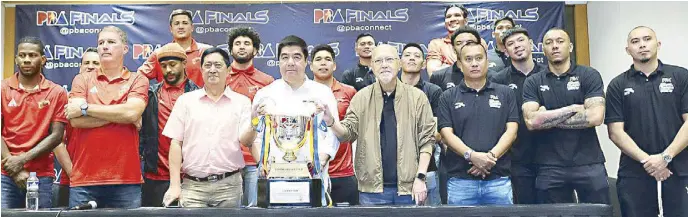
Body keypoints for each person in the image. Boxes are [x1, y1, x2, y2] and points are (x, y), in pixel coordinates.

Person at [323, 44, 435, 205]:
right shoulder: (361, 97)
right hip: (372, 191)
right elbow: (347, 134)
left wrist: (420, 177)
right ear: (372, 67)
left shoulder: (417, 98)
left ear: (398, 63)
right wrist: (331, 121)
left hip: (410, 189)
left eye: (389, 60)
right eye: (378, 61)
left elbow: (427, 140)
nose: (384, 65)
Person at [605, 26, 688, 217]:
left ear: (658, 44)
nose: (642, 45)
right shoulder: (618, 84)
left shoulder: (681, 77)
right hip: (634, 172)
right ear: (628, 50)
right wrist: (648, 161)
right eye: (635, 42)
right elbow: (615, 132)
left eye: (647, 39)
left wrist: (665, 158)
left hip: (679, 169)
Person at [521, 28, 609, 204]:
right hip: (549, 166)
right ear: (543, 49)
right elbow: (532, 121)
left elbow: (595, 117)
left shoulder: (589, 75)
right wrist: (571, 109)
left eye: (560, 41)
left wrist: (547, 117)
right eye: (549, 43)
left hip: (589, 163)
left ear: (570, 46)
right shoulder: (533, 81)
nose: (555, 46)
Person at [65, 26, 149, 208]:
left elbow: (132, 112)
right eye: (101, 43)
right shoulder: (82, 79)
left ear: (125, 48)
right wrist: (122, 114)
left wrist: (86, 108)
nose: (104, 47)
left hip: (126, 180)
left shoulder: (137, 79)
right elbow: (76, 119)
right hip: (85, 180)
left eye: (111, 42)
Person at [162, 48, 254, 208]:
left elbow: (247, 140)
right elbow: (176, 144)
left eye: (218, 65)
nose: (212, 70)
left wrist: (256, 124)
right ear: (201, 69)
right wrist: (175, 185)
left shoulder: (242, 102)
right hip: (193, 187)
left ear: (229, 70)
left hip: (229, 187)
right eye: (208, 65)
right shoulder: (186, 101)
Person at [251, 36, 340, 189]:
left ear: (306, 62)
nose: (290, 62)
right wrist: (264, 164)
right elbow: (257, 137)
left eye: (297, 57)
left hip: (314, 177)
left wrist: (319, 162)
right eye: (285, 57)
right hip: (274, 178)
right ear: (279, 61)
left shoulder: (322, 93)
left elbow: (332, 133)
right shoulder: (264, 95)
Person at [437, 41, 518, 205]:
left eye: (479, 58)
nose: (474, 63)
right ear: (459, 64)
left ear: (487, 62)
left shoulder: (506, 93)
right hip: (460, 181)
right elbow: (446, 134)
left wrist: (490, 158)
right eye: (468, 59)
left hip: (499, 180)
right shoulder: (447, 96)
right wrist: (472, 156)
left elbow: (512, 131)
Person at [1, 36, 67, 209]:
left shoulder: (56, 92)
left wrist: (21, 160)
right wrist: (13, 166)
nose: (27, 60)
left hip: (41, 175)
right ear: (16, 59)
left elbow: (57, 136)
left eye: (32, 55)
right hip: (6, 175)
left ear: (43, 59)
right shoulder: (2, 89)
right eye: (22, 55)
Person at [490, 27, 546, 204]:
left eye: (521, 41)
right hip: (516, 159)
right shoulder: (498, 80)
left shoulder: (548, 74)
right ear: (505, 51)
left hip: (551, 158)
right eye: (510, 44)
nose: (517, 46)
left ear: (531, 44)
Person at [140, 43, 200, 207]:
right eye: (164, 66)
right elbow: (142, 132)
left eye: (173, 65)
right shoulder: (151, 94)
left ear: (183, 63)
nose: (168, 70)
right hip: (155, 176)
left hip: (190, 177)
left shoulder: (198, 95)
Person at [224, 26, 274, 207]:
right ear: (230, 50)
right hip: (227, 160)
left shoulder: (267, 81)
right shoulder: (220, 79)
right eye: (237, 44)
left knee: (256, 210)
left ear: (256, 50)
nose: (242, 47)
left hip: (256, 159)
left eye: (247, 43)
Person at [310, 44, 359, 205]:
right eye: (318, 59)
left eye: (327, 59)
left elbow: (354, 131)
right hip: (311, 171)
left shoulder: (349, 92)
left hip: (343, 171)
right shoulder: (303, 93)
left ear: (335, 65)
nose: (323, 63)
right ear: (310, 66)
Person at [53, 47, 100, 207]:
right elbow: (58, 142)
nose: (90, 66)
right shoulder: (66, 99)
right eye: (86, 62)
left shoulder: (112, 100)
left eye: (96, 63)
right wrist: (73, 174)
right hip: (73, 180)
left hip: (107, 179)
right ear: (80, 67)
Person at [399, 43, 443, 206]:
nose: (411, 58)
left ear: (424, 64)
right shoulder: (389, 89)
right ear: (399, 61)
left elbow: (436, 133)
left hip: (427, 168)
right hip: (394, 171)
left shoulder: (433, 91)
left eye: (417, 56)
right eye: (407, 55)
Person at [138, 9, 212, 86]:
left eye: (185, 23)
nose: (181, 27)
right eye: (176, 23)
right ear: (171, 29)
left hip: (199, 97)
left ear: (192, 27)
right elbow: (139, 77)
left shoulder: (206, 52)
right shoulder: (160, 53)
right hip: (167, 98)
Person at [430, 26, 482, 91]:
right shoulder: (439, 77)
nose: (464, 46)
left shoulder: (492, 76)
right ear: (453, 48)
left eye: (470, 42)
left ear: (479, 46)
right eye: (459, 43)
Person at [426, 4, 469, 76]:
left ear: (465, 21)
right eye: (448, 17)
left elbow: (481, 72)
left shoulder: (478, 42)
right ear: (445, 23)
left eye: (457, 15)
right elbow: (433, 74)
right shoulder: (436, 44)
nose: (452, 19)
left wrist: (445, 66)